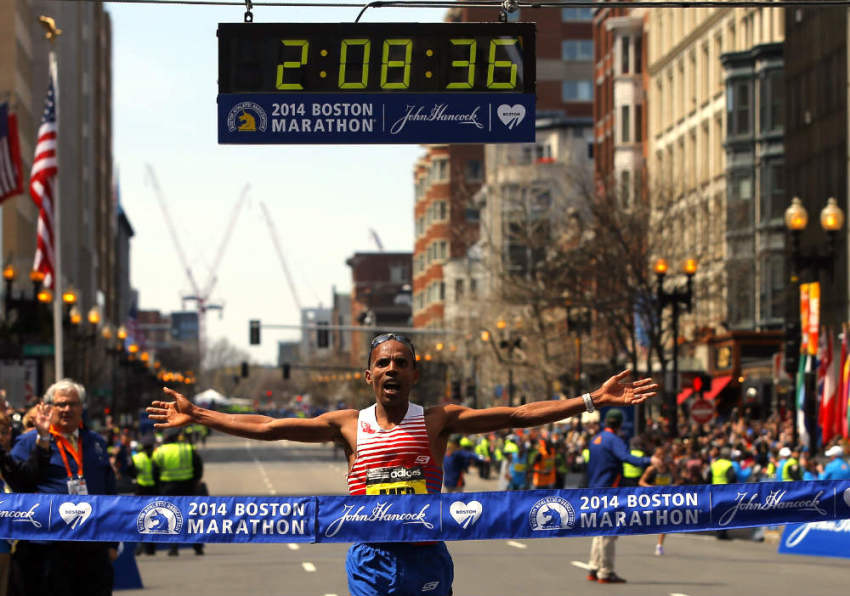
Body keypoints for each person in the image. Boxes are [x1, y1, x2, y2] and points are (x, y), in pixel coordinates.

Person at [147, 333, 657, 596]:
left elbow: (517, 414)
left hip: (426, 556)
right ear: (369, 374)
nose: (393, 368)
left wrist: (591, 398)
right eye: (384, 362)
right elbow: (268, 427)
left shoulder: (437, 421)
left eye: (402, 362)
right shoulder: (349, 424)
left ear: (415, 372)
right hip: (371, 557)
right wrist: (198, 414)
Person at [9, 379, 117, 596]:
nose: (67, 409)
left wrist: (113, 541)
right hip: (47, 547)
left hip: (91, 545)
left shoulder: (95, 442)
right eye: (61, 404)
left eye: (73, 404)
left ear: (81, 407)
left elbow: (110, 492)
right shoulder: (30, 442)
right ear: (49, 407)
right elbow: (17, 482)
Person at [585, 408, 653, 584]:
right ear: (619, 424)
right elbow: (625, 457)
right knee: (608, 531)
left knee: (598, 530)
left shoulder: (596, 439)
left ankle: (593, 567)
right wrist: (649, 461)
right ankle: (606, 571)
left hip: (595, 489)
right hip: (610, 490)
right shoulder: (613, 440)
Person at [152, 427, 204, 556]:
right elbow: (198, 466)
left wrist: (158, 486)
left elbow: (155, 471)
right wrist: (196, 480)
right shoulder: (187, 449)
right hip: (188, 486)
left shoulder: (159, 451)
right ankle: (198, 547)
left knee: (171, 517)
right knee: (191, 517)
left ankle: (173, 547)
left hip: (168, 488)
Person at [639, 446, 674, 556]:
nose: (661, 458)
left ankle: (659, 545)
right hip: (653, 498)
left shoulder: (669, 468)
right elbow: (641, 482)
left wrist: (674, 486)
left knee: (665, 520)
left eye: (663, 455)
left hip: (665, 498)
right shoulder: (651, 469)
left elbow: (677, 480)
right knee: (653, 519)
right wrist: (651, 487)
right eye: (659, 455)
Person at [129, 434, 158, 556]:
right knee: (154, 519)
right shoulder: (156, 456)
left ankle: (140, 545)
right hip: (154, 490)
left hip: (140, 490)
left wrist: (136, 476)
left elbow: (129, 470)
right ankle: (150, 548)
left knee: (141, 519)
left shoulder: (137, 457)